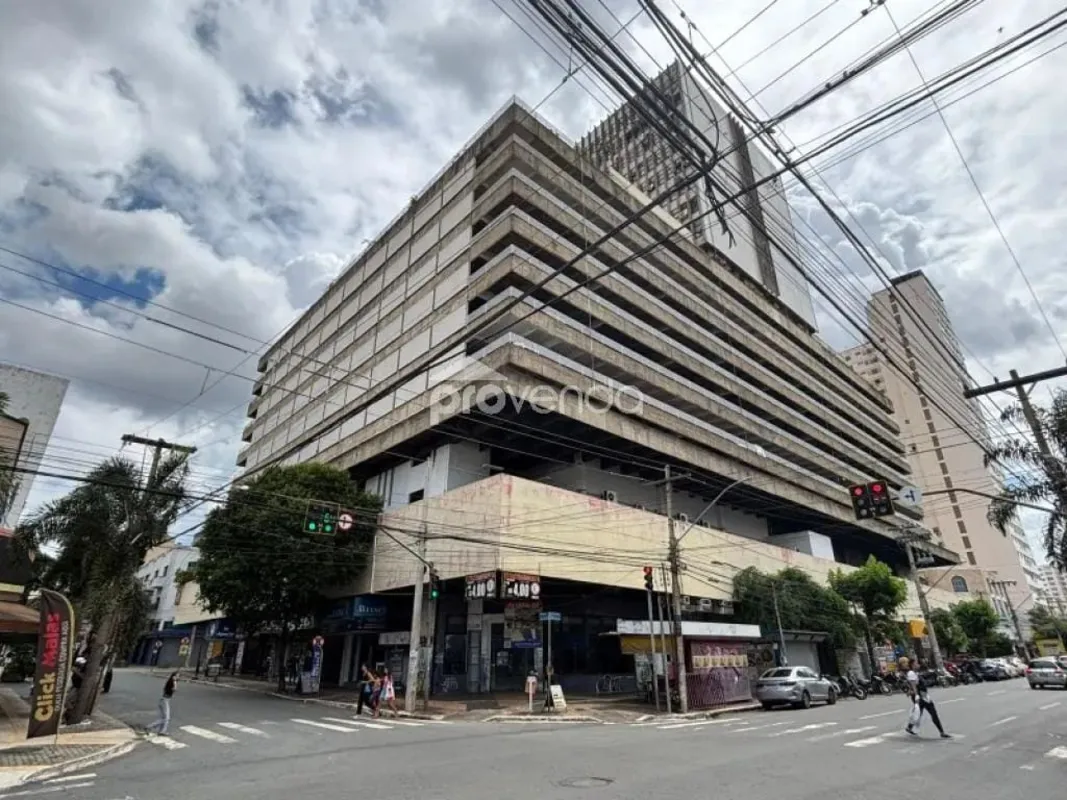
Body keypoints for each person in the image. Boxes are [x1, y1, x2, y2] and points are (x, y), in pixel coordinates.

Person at [903, 658, 950, 739]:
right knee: (932, 712)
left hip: (922, 695)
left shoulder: (915, 673)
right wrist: (917, 696)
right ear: (912, 665)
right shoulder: (911, 673)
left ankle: (909, 727)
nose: (918, 665)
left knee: (918, 713)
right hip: (921, 696)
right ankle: (942, 732)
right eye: (916, 663)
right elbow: (914, 686)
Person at [145, 671, 178, 737]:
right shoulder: (171, 682)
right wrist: (175, 682)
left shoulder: (170, 682)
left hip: (163, 701)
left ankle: (161, 731)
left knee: (164, 718)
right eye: (177, 676)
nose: (178, 677)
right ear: (173, 676)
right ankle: (150, 727)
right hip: (164, 701)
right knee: (166, 718)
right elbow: (174, 689)